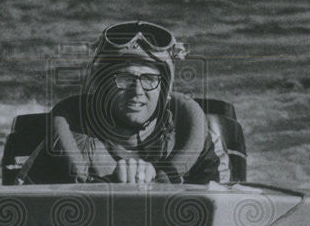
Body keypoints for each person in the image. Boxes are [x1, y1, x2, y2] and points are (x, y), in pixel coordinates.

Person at [23, 21, 225, 184]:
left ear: (164, 89)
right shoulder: (65, 140)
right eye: (124, 79)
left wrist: (162, 179)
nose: (137, 91)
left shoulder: (188, 139)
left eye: (149, 79)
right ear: (102, 86)